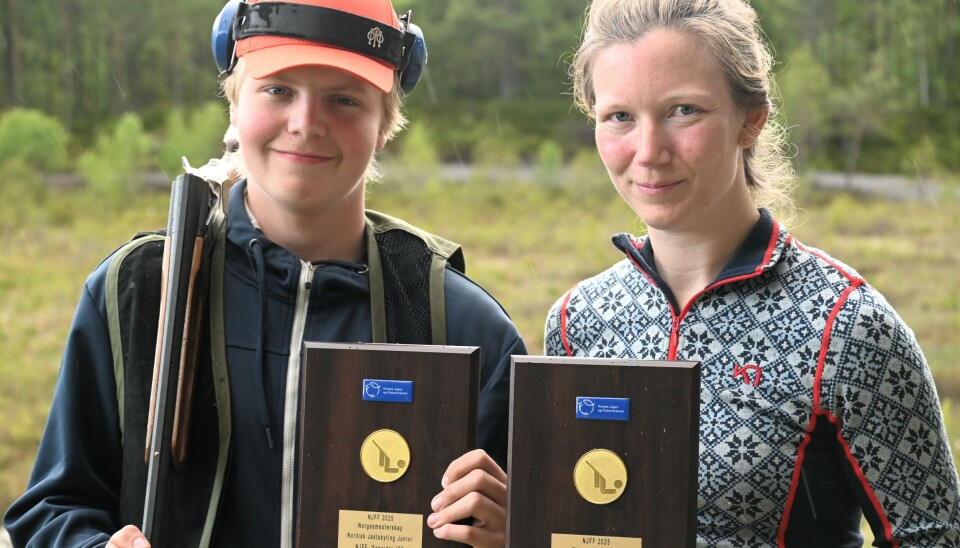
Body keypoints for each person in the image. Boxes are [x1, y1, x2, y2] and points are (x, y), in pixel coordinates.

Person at [3, 0, 522, 546]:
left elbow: (532, 523)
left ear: (384, 126)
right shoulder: (137, 294)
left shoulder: (462, 325)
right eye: (278, 90)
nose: (305, 124)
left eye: (343, 99)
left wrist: (512, 535)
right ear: (234, 105)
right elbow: (53, 508)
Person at [544, 0, 960, 545]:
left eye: (683, 111)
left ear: (751, 118)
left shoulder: (847, 326)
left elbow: (934, 537)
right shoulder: (577, 322)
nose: (649, 151)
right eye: (620, 116)